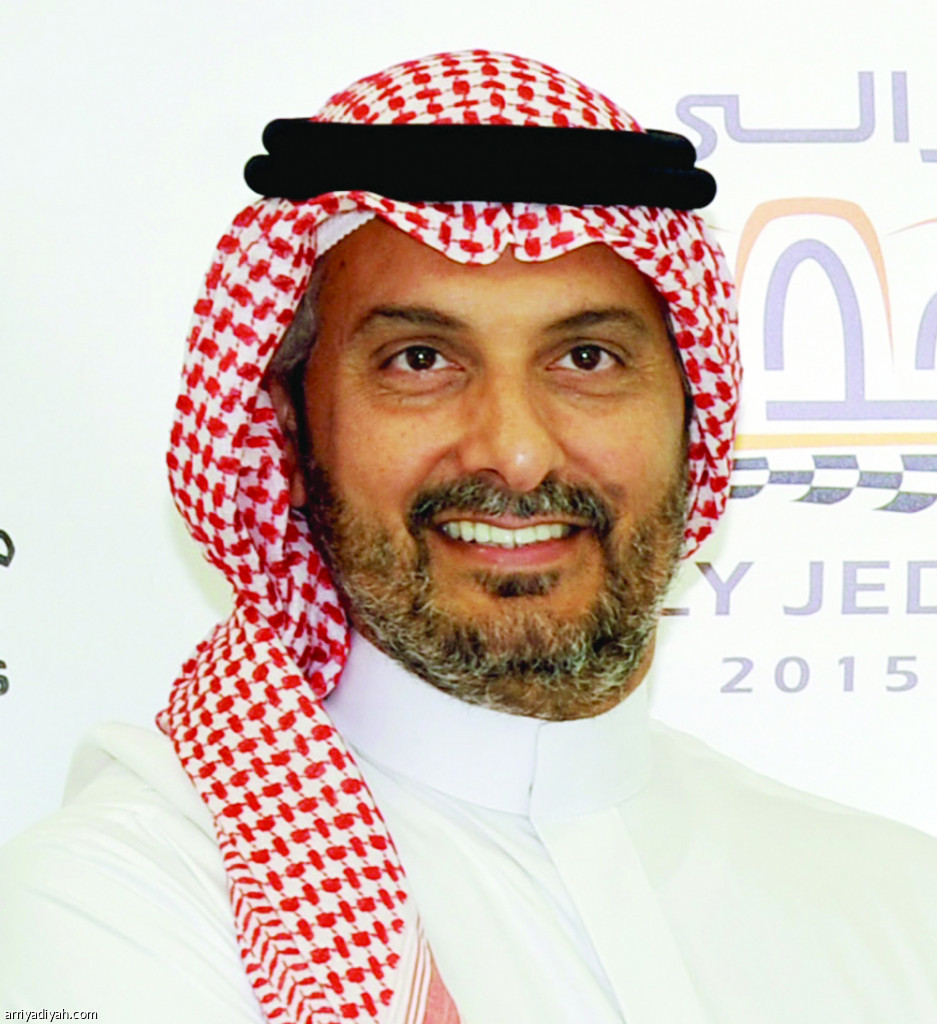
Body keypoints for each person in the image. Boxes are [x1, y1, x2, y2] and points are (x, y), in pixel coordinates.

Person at [1, 49, 936, 1024]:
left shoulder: (899, 908)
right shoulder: (121, 908)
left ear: (691, 413)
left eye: (586, 357)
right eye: (419, 360)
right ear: (287, 425)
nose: (517, 453)